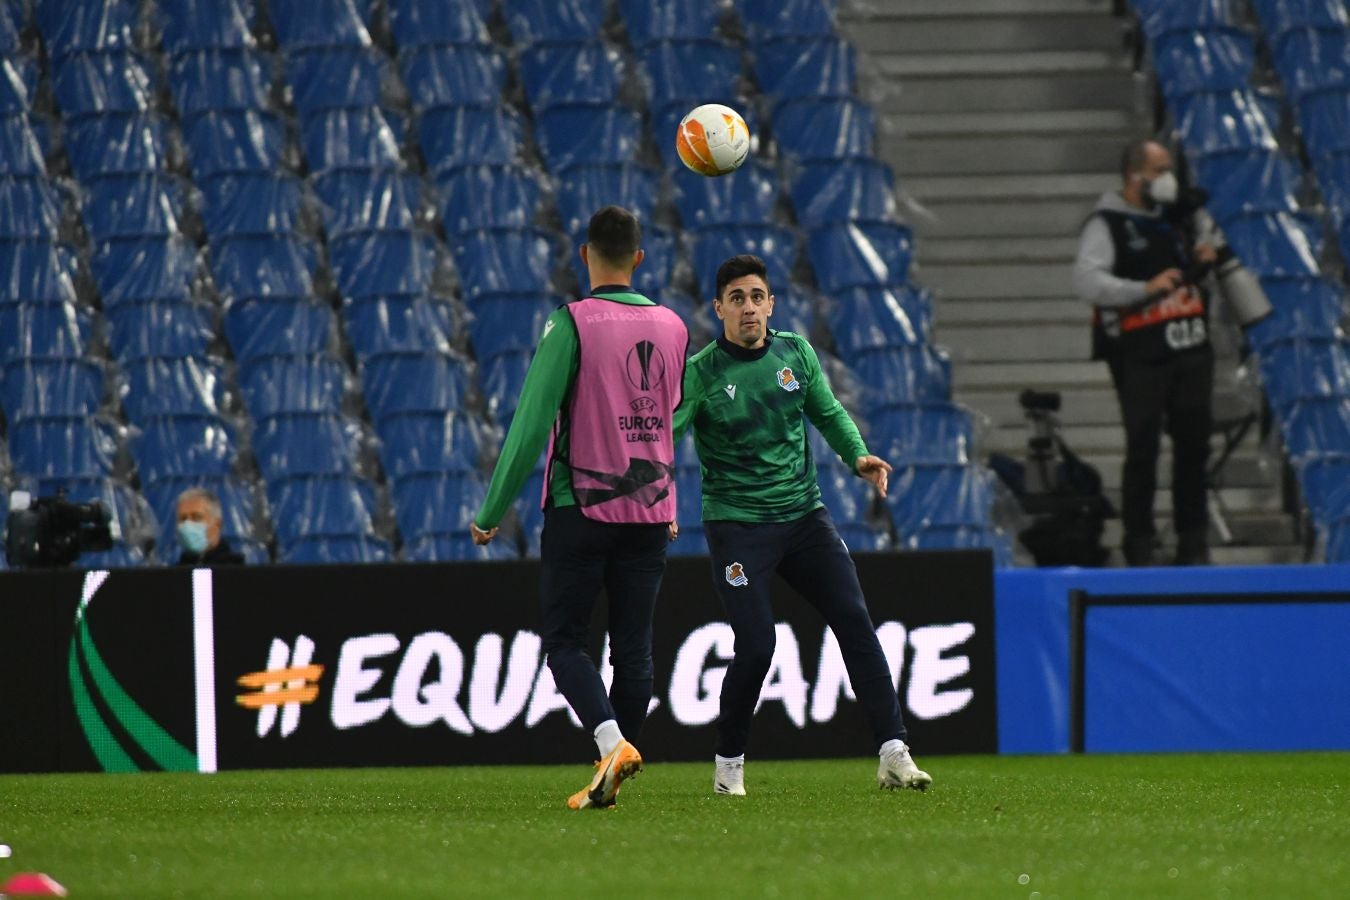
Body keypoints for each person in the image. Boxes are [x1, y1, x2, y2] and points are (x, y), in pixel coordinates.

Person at [671, 254, 932, 796]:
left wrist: (856, 456)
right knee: (759, 643)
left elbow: (829, 412)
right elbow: (662, 443)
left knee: (855, 621)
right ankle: (728, 766)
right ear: (718, 308)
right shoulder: (699, 373)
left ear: (771, 304)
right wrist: (658, 500)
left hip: (804, 518)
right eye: (736, 298)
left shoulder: (796, 352)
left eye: (756, 297)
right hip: (738, 528)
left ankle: (893, 752)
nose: (748, 308)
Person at [470, 206, 689, 810]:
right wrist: (669, 495)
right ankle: (611, 770)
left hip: (581, 508)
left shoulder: (571, 323)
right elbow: (669, 420)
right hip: (650, 510)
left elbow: (531, 423)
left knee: (568, 643)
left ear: (584, 252)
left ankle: (611, 746)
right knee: (636, 650)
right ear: (640, 258)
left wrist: (492, 511)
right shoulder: (674, 328)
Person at [1073, 138, 1216, 567]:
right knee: (1144, 446)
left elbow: (1208, 248)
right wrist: (1143, 289)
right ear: (1134, 176)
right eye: (1159, 170)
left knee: (1194, 445)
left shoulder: (1181, 217)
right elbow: (1087, 281)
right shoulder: (1108, 223)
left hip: (1191, 343)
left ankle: (1193, 538)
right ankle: (1139, 540)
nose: (1168, 179)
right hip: (1139, 352)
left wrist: (1205, 250)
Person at [175, 487, 245, 566]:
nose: (187, 524)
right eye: (183, 519)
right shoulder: (173, 575)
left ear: (217, 525)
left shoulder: (238, 572)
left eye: (196, 517)